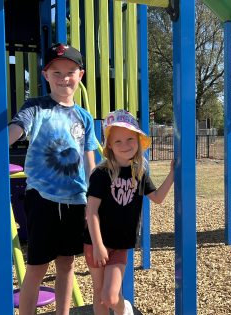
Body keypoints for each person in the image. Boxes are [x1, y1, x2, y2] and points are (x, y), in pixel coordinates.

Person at [0, 43, 97, 315]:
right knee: (37, 267)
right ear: (45, 75)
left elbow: (89, 161)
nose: (64, 78)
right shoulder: (36, 108)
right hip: (42, 199)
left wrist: (93, 199)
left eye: (70, 72)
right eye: (57, 72)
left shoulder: (85, 118)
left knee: (67, 263)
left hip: (76, 199)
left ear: (81, 75)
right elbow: (12, 134)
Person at [83, 109, 174, 315]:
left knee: (111, 296)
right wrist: (98, 246)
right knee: (99, 294)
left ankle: (124, 309)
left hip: (120, 243)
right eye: (118, 141)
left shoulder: (138, 173)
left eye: (130, 139)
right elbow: (92, 211)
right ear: (109, 146)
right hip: (95, 243)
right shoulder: (101, 173)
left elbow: (158, 198)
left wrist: (172, 174)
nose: (125, 145)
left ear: (138, 141)